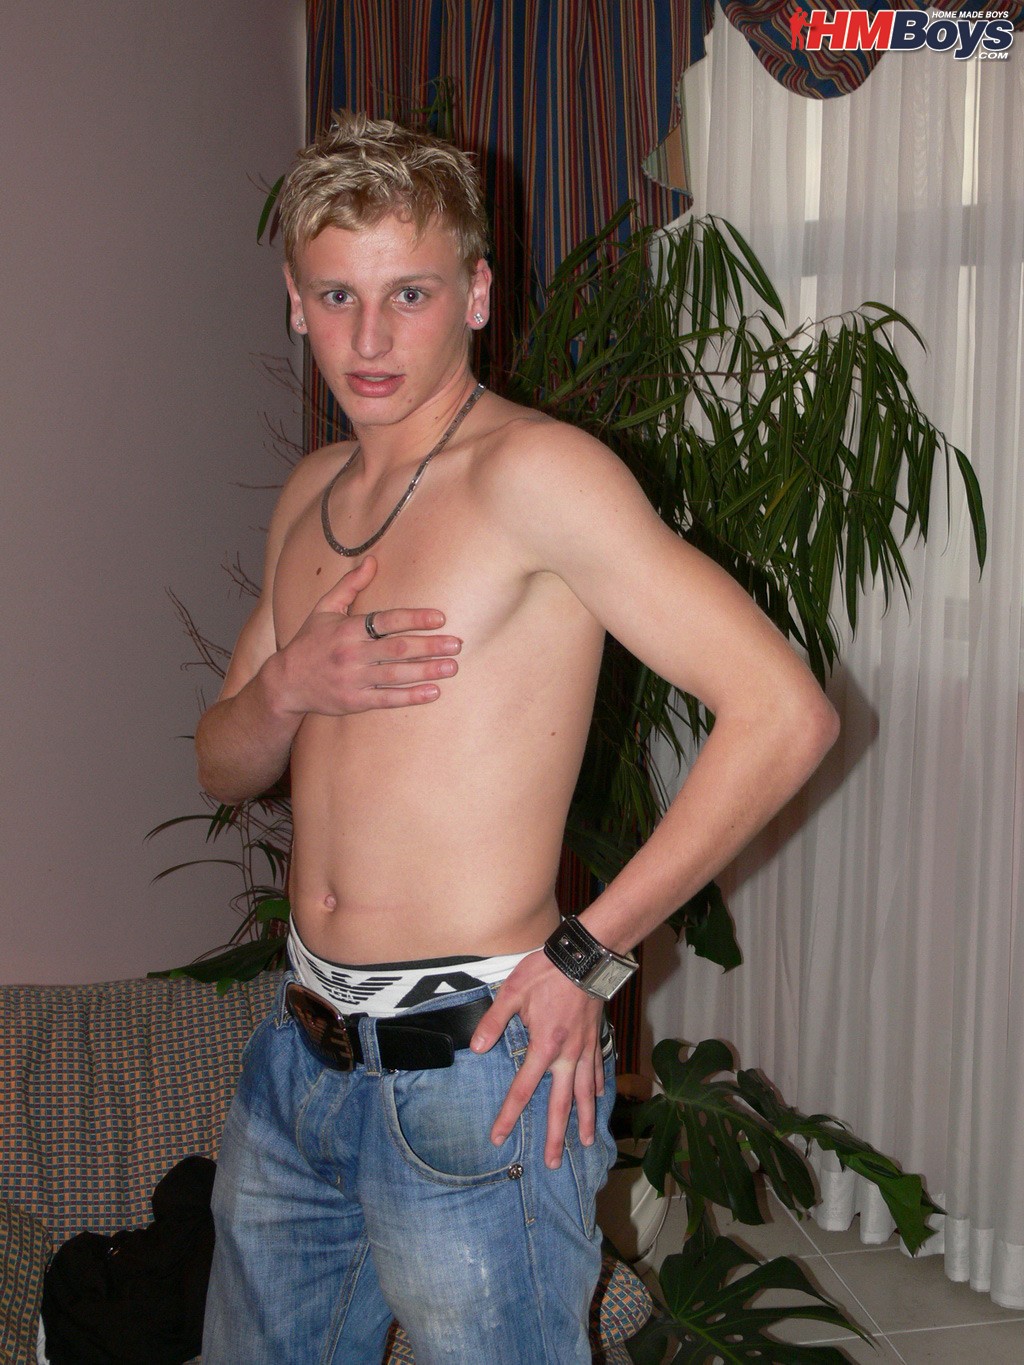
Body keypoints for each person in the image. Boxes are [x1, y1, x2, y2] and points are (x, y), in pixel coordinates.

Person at [198, 112, 839, 1364]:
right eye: (337, 296)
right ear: (294, 301)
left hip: (473, 1076)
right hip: (298, 1063)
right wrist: (284, 688)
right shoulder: (309, 494)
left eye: (410, 294)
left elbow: (784, 714)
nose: (369, 339)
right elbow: (223, 762)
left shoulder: (537, 474)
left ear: (478, 294)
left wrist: (589, 953)